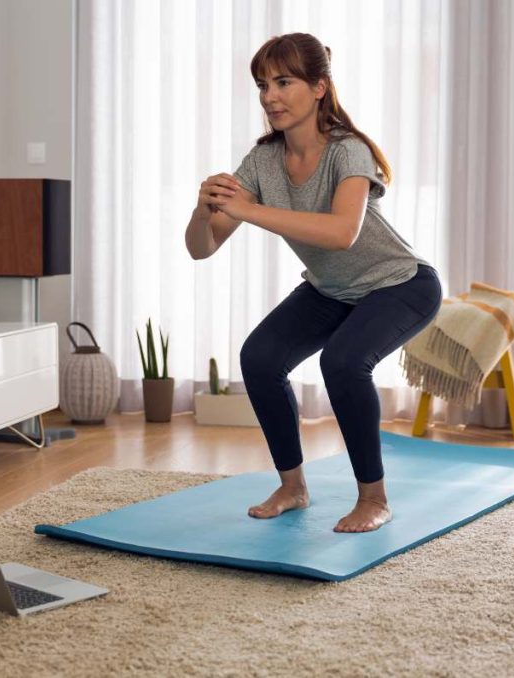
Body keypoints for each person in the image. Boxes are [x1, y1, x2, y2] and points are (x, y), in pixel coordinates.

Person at [184, 33, 442, 533]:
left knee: (343, 362)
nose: (269, 96)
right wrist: (202, 209)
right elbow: (202, 246)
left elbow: (342, 233)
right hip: (333, 291)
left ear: (320, 87)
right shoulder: (262, 161)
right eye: (263, 85)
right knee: (259, 358)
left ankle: (373, 498)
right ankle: (293, 486)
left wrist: (250, 210)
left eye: (284, 82)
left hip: (400, 284)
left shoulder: (349, 152)